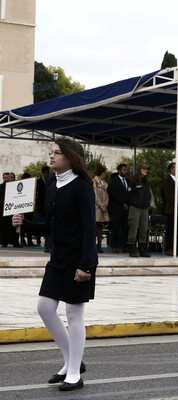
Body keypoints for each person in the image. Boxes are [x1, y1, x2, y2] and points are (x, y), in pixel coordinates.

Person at [12, 139, 97, 392]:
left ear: (70, 158)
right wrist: (24, 223)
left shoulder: (82, 187)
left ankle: (73, 373)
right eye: (51, 152)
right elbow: (49, 227)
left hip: (79, 261)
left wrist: (86, 265)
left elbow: (89, 229)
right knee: (45, 307)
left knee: (74, 314)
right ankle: (73, 361)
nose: (51, 156)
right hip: (57, 260)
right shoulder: (52, 185)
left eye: (57, 153)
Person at [126, 164, 152, 258]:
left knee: (144, 229)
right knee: (133, 228)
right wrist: (130, 204)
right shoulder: (133, 181)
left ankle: (142, 248)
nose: (146, 171)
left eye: (146, 169)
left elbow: (148, 194)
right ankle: (132, 248)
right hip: (135, 207)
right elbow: (128, 194)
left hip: (144, 209)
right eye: (144, 169)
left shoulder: (146, 182)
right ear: (139, 170)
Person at [162, 162, 178, 256]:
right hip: (171, 209)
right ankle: (169, 248)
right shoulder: (167, 181)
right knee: (171, 230)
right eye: (176, 168)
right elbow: (169, 195)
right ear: (171, 170)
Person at [107, 163, 130, 253]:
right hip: (117, 208)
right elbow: (114, 194)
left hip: (126, 209)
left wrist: (128, 203)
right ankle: (114, 246)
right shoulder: (114, 181)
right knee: (115, 228)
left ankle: (124, 246)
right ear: (119, 171)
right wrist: (122, 203)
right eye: (124, 170)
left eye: (126, 170)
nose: (126, 171)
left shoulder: (128, 181)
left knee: (125, 228)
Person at [92, 164, 109, 253]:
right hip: (97, 208)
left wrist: (105, 205)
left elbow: (106, 196)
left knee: (100, 228)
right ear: (102, 172)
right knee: (94, 227)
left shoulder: (104, 183)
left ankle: (99, 246)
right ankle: (93, 245)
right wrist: (101, 205)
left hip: (103, 208)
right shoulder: (94, 181)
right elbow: (94, 195)